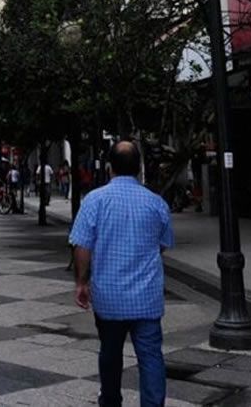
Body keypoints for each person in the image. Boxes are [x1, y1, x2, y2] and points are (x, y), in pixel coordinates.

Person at [70, 140, 174, 407]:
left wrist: (81, 282)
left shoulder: (94, 200)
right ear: (138, 167)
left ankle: (111, 400)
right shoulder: (156, 203)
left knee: (110, 352)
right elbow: (163, 244)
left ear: (110, 167)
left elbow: (82, 246)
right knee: (151, 356)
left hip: (109, 295)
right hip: (147, 297)